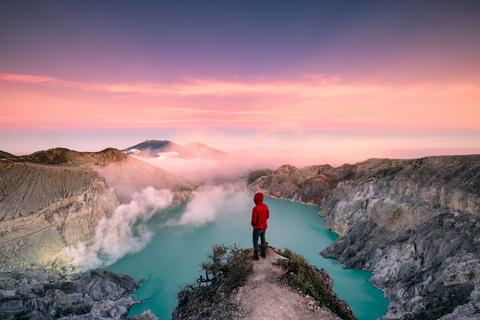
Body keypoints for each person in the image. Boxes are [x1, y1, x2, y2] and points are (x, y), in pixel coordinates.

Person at [251, 192, 269, 260]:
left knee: (255, 241)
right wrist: (263, 221)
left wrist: (253, 225)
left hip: (257, 228)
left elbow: (254, 221)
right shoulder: (265, 206)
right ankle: (263, 254)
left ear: (256, 199)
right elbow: (267, 216)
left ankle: (256, 256)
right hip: (264, 227)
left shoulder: (255, 209)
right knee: (263, 239)